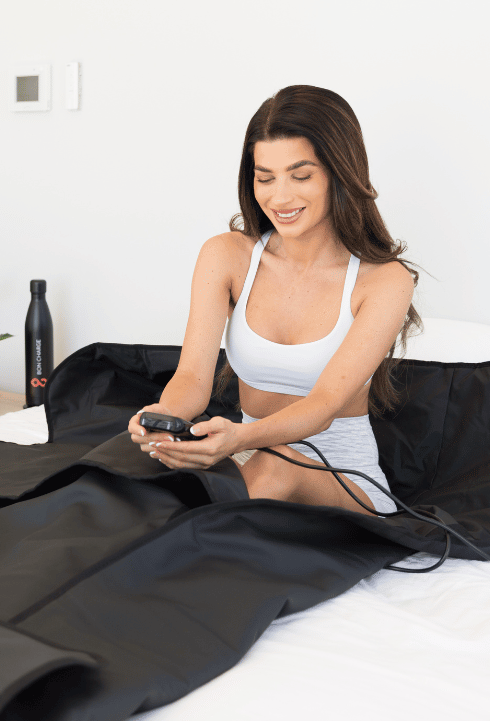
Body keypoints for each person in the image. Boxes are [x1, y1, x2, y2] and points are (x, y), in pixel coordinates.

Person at [127, 85, 420, 516]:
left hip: (341, 480)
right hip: (249, 464)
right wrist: (163, 419)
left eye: (300, 176)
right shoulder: (226, 255)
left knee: (272, 471)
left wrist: (240, 439)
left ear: (340, 173)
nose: (279, 198)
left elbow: (322, 409)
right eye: (264, 178)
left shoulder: (384, 282)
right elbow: (191, 377)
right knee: (141, 482)